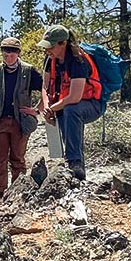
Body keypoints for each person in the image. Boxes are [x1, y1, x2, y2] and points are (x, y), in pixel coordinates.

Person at [0, 36, 44, 198]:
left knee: (18, 159)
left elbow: (45, 89)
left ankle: (17, 193)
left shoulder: (28, 71)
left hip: (21, 122)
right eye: (5, 53)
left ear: (18, 53)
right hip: (0, 121)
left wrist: (37, 110)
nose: (8, 56)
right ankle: (0, 193)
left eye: (12, 53)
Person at [38, 25, 104, 181]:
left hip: (92, 104)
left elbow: (74, 97)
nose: (48, 50)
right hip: (65, 104)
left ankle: (75, 164)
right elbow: (45, 87)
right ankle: (67, 166)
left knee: (70, 111)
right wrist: (47, 107)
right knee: (62, 119)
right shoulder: (50, 59)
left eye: (51, 46)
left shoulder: (77, 60)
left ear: (63, 43)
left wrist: (53, 108)